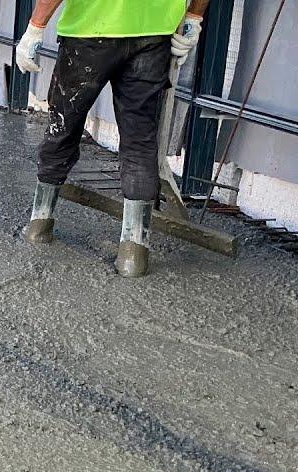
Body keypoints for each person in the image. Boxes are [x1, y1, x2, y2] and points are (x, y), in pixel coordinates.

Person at [15, 0, 209, 277]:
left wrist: (35, 27)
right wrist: (193, 17)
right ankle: (134, 255)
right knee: (140, 141)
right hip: (152, 34)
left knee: (63, 126)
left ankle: (39, 226)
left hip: (89, 30)